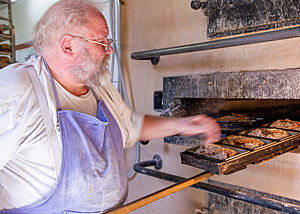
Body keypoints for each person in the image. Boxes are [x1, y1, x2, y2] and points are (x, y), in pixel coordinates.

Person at [0, 0, 220, 213]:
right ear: (68, 45)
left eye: (109, 41)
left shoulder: (98, 87)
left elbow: (131, 126)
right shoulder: (16, 89)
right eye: (102, 42)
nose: (109, 50)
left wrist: (184, 124)